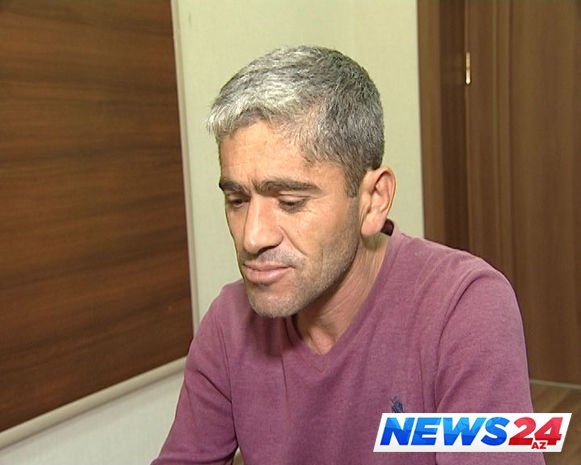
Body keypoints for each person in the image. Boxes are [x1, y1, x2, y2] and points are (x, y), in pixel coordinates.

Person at [152, 46, 543, 465]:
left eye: (290, 202)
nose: (252, 236)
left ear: (373, 201)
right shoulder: (230, 324)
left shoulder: (465, 307)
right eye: (237, 200)